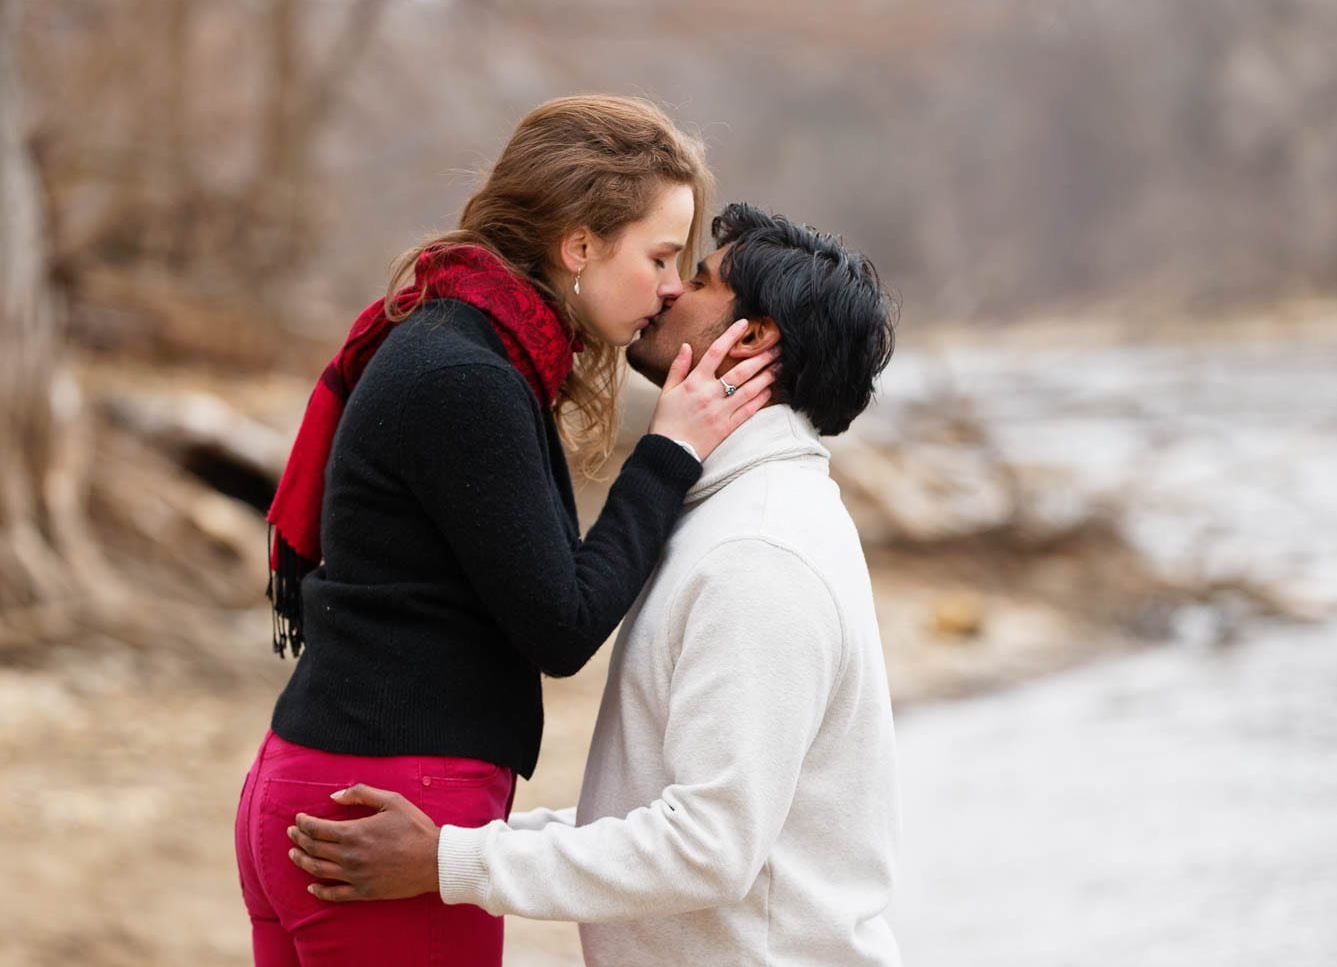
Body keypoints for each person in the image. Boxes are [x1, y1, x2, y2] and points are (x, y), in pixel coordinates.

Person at [234, 96, 779, 966]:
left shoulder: (456, 342)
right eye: (661, 255)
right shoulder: (465, 374)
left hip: (333, 793)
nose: (674, 286)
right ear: (579, 245)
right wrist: (670, 450)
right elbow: (560, 625)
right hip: (384, 816)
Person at [287, 202, 903, 966]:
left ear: (754, 337)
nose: (670, 290)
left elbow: (708, 846)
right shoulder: (730, 515)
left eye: (701, 279)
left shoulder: (760, 551)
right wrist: (465, 846)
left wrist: (455, 863)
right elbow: (656, 814)